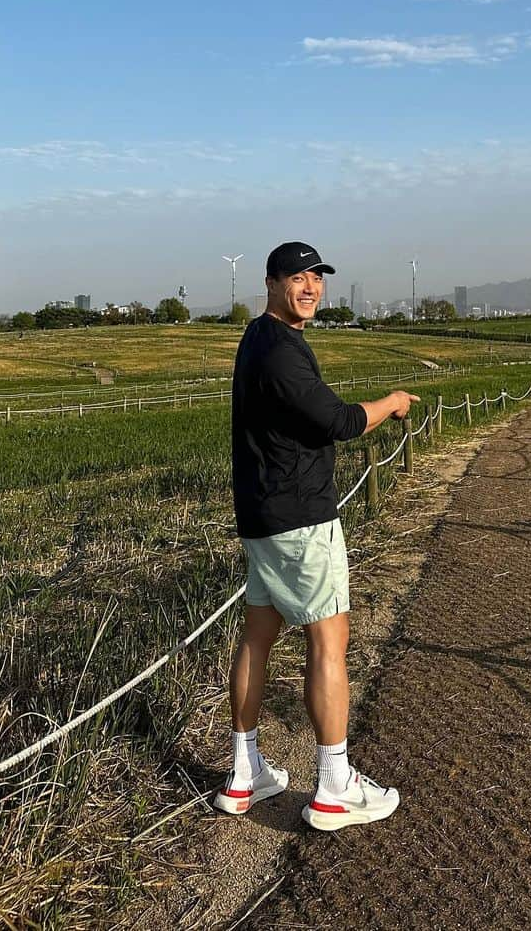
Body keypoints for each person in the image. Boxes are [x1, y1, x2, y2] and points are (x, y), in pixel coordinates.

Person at [213, 241, 419, 831]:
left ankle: (244, 772)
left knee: (257, 636)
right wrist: (393, 402)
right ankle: (334, 785)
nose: (310, 287)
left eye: (317, 278)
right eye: (298, 277)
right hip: (301, 520)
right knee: (329, 643)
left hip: (260, 518)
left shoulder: (255, 337)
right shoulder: (282, 350)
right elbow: (339, 421)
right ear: (272, 282)